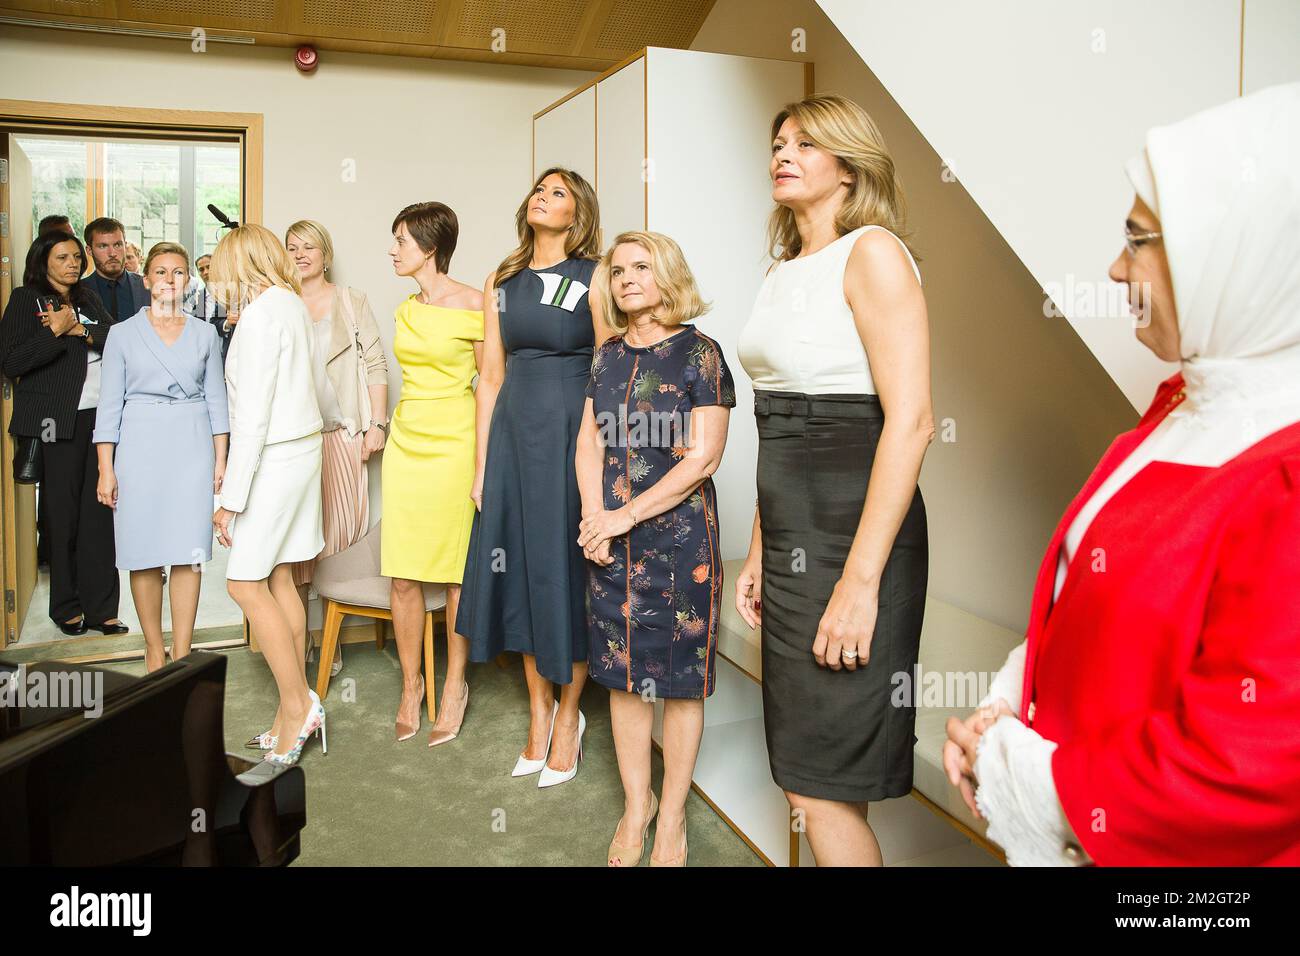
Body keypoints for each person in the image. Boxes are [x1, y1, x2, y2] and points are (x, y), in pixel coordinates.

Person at [944, 82, 1300, 866]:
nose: (1113, 268)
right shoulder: (1181, 405)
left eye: (1139, 239)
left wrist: (1020, 770)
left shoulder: (1288, 475)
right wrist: (1008, 704)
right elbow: (1081, 594)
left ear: (1230, 251)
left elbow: (1239, 776)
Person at [735, 93, 934, 866]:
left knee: (822, 785)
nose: (783, 154)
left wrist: (859, 583)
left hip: (859, 545)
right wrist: (759, 548)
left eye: (806, 144)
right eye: (779, 141)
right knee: (801, 778)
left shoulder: (874, 253)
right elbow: (777, 428)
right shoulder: (783, 270)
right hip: (790, 544)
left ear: (848, 167)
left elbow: (911, 420)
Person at [578, 232, 735, 865]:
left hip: (679, 543)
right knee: (622, 679)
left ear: (668, 275)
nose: (626, 279)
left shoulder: (701, 354)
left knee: (677, 684)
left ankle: (671, 819)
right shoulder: (607, 356)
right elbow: (589, 441)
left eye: (641, 267)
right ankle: (635, 807)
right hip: (609, 542)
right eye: (618, 271)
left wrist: (624, 517)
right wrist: (594, 515)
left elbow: (703, 458)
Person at [458, 167, 613, 780]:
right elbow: (490, 376)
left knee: (561, 571)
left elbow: (607, 364)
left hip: (571, 434)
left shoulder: (596, 275)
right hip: (513, 437)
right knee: (520, 570)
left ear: (576, 215)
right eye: (538, 190)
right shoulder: (502, 279)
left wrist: (594, 450)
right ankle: (538, 712)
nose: (541, 199)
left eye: (557, 194)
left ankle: (571, 712)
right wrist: (481, 467)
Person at [209, 224, 326, 766]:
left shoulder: (259, 317)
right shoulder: (291, 302)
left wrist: (231, 497)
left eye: (220, 270)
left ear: (240, 264)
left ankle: (298, 705)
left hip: (275, 460)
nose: (216, 281)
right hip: (302, 453)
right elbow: (311, 386)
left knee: (244, 583)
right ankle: (291, 710)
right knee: (281, 578)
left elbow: (251, 417)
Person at [93, 242, 229, 672]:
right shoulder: (121, 334)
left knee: (187, 552)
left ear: (188, 280)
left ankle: (184, 651)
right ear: (146, 279)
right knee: (144, 551)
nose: (170, 279)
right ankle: (154, 648)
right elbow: (108, 406)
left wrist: (221, 461)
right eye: (161, 271)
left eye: (179, 272)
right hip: (138, 448)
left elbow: (217, 402)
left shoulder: (205, 333)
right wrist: (105, 470)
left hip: (191, 448)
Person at [381, 202, 483, 744]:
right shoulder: (405, 308)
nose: (393, 250)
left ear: (429, 245)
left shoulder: (475, 304)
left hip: (456, 445)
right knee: (403, 573)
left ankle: (454, 685)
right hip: (407, 445)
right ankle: (410, 685)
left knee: (455, 574)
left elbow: (493, 386)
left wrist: (485, 465)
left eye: (400, 240)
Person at [0, 232, 127, 635]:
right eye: (62, 257)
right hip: (56, 423)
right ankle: (66, 606)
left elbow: (117, 340)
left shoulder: (87, 298)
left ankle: (102, 608)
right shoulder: (25, 299)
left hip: (99, 422)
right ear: (43, 260)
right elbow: (12, 360)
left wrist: (77, 329)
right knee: (63, 517)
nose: (72, 264)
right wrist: (53, 332)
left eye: (76, 257)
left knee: (100, 514)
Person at [285, 219, 389, 679]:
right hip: (294, 441)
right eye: (292, 247)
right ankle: (301, 640)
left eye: (310, 247)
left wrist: (376, 425)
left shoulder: (350, 301)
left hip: (343, 435)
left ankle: (332, 636)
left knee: (338, 538)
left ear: (325, 255)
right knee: (295, 542)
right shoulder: (278, 304)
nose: (301, 254)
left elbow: (375, 364)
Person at [82, 218, 148, 325]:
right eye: (103, 246)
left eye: (117, 245)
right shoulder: (78, 291)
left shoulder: (147, 287)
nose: (112, 253)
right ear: (89, 250)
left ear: (125, 246)